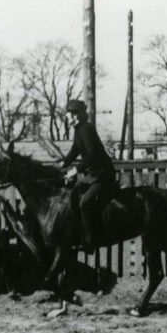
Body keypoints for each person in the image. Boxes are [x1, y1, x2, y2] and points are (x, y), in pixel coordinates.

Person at [58, 99, 116, 253]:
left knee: (85, 203)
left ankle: (92, 241)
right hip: (95, 174)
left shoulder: (86, 129)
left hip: (104, 174)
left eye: (68, 115)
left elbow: (91, 156)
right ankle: (82, 234)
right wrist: (63, 163)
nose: (66, 118)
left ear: (75, 115)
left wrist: (74, 170)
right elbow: (75, 150)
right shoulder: (78, 130)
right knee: (74, 196)